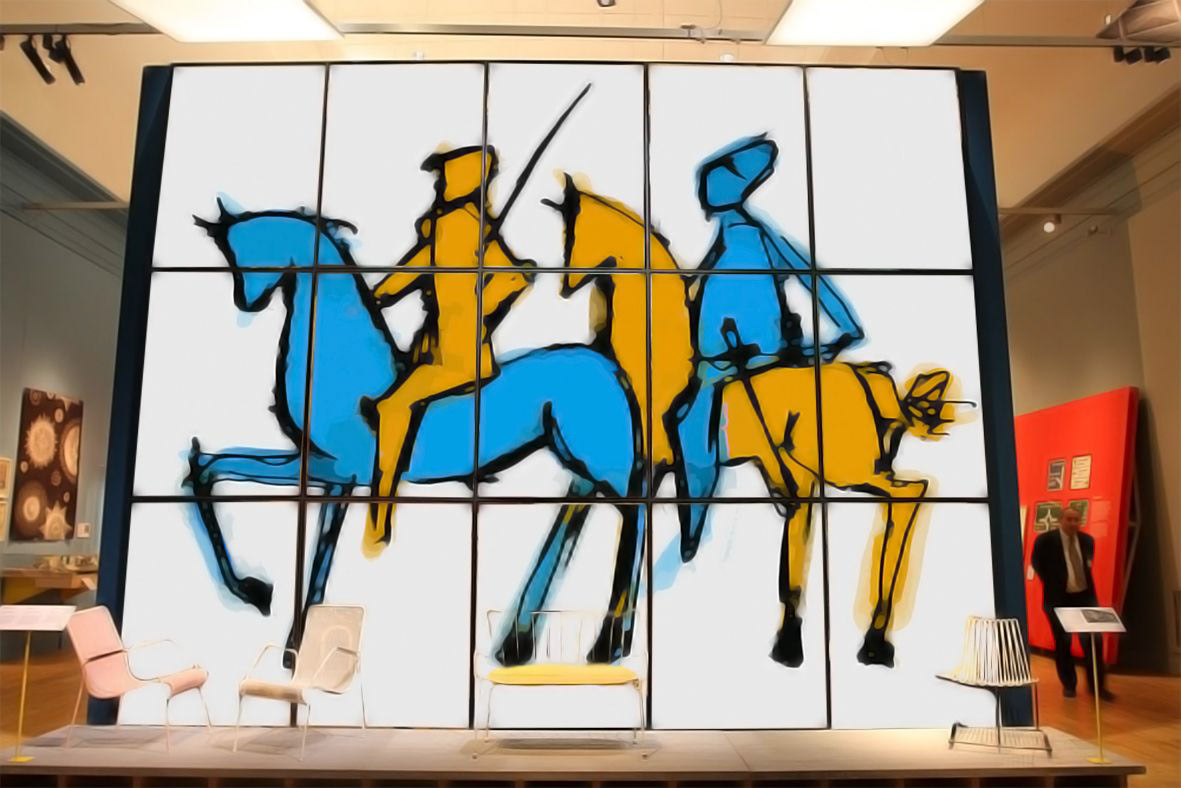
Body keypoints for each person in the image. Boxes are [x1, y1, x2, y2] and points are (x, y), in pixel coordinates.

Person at [366, 145, 534, 555]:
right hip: (434, 348)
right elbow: (418, 266)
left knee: (393, 407)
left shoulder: (464, 226)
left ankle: (379, 514)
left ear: (464, 178)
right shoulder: (456, 225)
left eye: (446, 176)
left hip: (457, 356)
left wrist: (474, 312)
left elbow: (514, 278)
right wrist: (373, 297)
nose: (440, 183)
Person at [1031, 505, 1116, 700]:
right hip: (1058, 599)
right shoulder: (1045, 541)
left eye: (1076, 520)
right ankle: (1069, 685)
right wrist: (1054, 583)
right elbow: (1037, 563)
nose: (1073, 523)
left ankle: (1097, 687)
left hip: (1085, 597)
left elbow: (1087, 565)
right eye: (1069, 519)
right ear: (1060, 520)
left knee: (1094, 641)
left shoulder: (1087, 541)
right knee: (1064, 642)